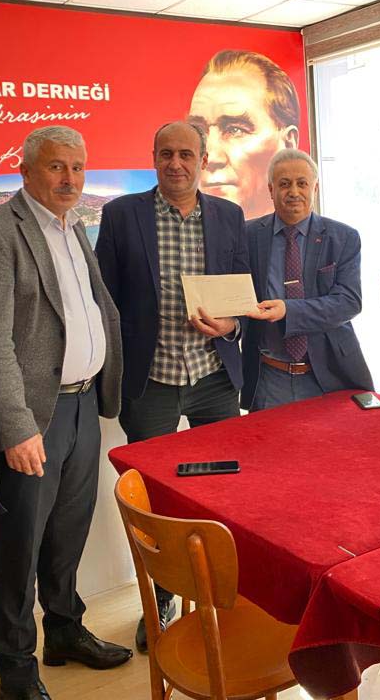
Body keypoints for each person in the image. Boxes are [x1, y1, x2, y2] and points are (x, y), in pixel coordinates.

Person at [0, 127, 128, 700]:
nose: (69, 178)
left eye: (78, 167)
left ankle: (63, 630)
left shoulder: (74, 226)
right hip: (34, 418)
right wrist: (15, 426)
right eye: (56, 167)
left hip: (83, 405)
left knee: (67, 532)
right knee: (20, 547)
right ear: (26, 171)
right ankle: (15, 671)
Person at [96, 120, 249, 652]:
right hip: (151, 381)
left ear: (203, 160)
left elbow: (241, 295)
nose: (176, 163)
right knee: (154, 500)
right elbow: (106, 299)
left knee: (224, 490)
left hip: (214, 378)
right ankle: (160, 597)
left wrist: (232, 325)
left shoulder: (229, 216)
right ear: (154, 157)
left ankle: (224, 591)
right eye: (166, 154)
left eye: (186, 154)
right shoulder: (121, 215)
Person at [243, 148, 373, 410]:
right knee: (268, 438)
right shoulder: (248, 235)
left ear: (315, 188)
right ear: (270, 190)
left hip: (329, 376)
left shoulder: (343, 237)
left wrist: (288, 311)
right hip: (268, 377)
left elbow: (349, 302)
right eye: (284, 184)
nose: (293, 192)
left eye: (302, 183)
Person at [188, 49, 300, 219]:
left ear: (288, 145)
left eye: (235, 130)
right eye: (198, 131)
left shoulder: (318, 233)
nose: (210, 157)